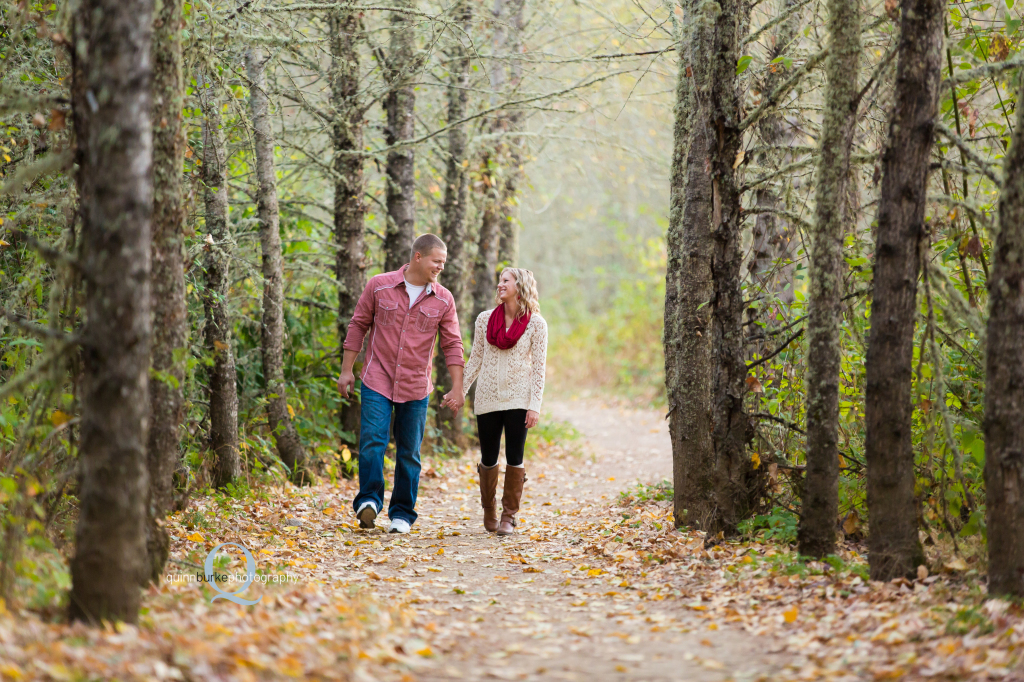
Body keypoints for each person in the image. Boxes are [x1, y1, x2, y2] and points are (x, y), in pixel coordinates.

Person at [337, 234, 466, 534]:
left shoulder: (444, 299)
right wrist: (347, 371)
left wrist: (458, 387)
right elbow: (358, 325)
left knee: (409, 452)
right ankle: (368, 502)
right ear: (418, 257)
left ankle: (402, 515)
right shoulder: (379, 286)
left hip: (416, 385)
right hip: (377, 378)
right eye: (437, 261)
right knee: (372, 441)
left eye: (443, 263)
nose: (440, 268)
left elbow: (452, 344)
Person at [447, 268, 547, 536]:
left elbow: (539, 368)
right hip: (488, 397)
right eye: (500, 280)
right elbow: (476, 359)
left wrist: (534, 405)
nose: (500, 285)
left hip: (519, 398)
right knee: (488, 457)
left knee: (515, 457)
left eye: (506, 281)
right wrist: (460, 391)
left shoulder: (536, 324)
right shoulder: (484, 320)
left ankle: (509, 516)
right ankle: (489, 508)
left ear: (520, 286)